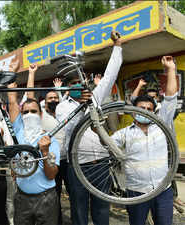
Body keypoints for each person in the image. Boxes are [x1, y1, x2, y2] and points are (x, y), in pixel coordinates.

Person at [55, 30, 122, 225]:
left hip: (101, 163)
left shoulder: (95, 98)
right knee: (79, 211)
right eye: (74, 83)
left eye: (80, 82)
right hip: (77, 167)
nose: (78, 85)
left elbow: (110, 76)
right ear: (68, 88)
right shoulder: (62, 106)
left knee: (102, 211)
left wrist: (117, 47)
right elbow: (72, 129)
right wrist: (84, 108)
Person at [111, 55, 178, 225]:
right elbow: (107, 144)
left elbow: (170, 97)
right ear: (134, 111)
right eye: (142, 109)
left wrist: (171, 69)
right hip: (136, 192)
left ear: (154, 112)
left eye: (149, 109)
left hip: (163, 190)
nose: (145, 112)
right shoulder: (124, 133)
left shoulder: (163, 126)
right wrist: (97, 129)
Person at [7, 59, 61, 225]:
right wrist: (12, 73)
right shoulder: (19, 132)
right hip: (22, 198)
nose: (29, 114)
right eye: (26, 112)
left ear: (41, 115)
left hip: (47, 199)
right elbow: (12, 101)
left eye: (33, 111)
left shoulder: (50, 141)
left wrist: (45, 153)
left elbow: (51, 175)